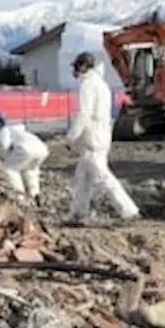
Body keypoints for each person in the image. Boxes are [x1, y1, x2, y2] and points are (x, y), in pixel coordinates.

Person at [65, 52, 140, 224]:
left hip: (92, 138)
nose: (75, 71)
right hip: (102, 134)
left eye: (77, 66)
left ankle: (128, 210)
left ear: (83, 66)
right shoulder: (102, 84)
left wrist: (71, 137)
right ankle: (77, 213)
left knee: (102, 176)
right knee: (84, 177)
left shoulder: (87, 85)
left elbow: (84, 113)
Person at [0, 122, 49, 205]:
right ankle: (35, 194)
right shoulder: (20, 131)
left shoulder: (4, 130)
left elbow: (4, 145)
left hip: (26, 149)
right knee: (30, 171)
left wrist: (1, 156)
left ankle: (20, 197)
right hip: (43, 149)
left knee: (10, 169)